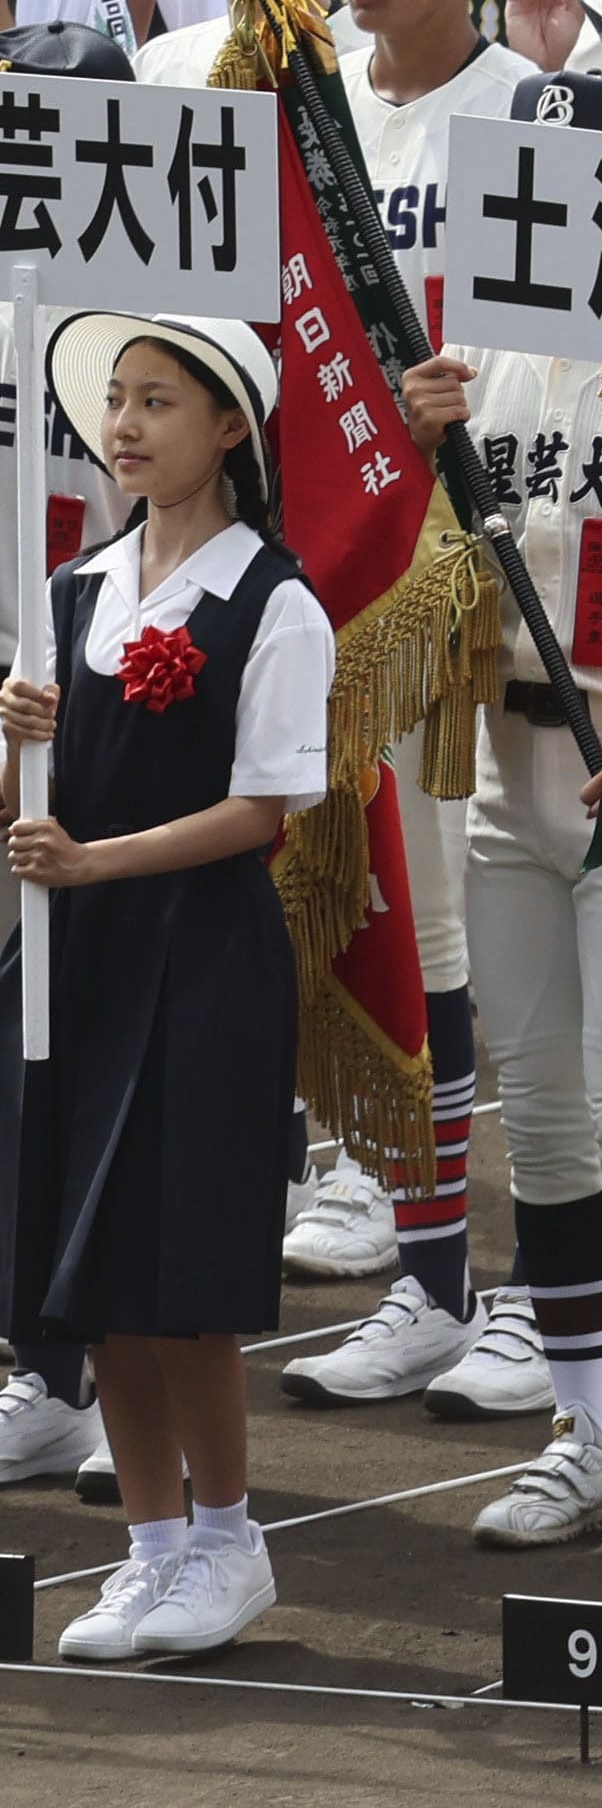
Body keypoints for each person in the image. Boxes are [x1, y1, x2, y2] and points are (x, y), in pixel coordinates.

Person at [6, 308, 328, 1662]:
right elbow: (26, 817)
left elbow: (265, 807)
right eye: (116, 402)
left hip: (199, 960)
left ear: (232, 428)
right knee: (91, 1276)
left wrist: (95, 863)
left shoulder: (276, 600)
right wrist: (17, 740)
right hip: (77, 960)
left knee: (179, 1272)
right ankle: (148, 1549)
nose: (126, 427)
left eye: (158, 402)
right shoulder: (69, 595)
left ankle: (231, 1540)